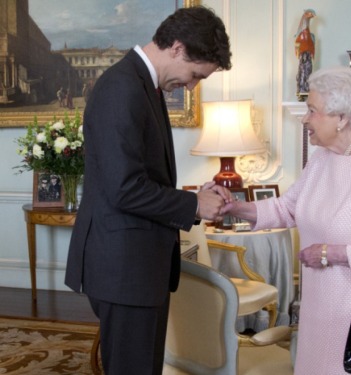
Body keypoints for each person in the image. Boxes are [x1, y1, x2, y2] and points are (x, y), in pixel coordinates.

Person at [64, 6, 232, 375]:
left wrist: (195, 196)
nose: (191, 86)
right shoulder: (121, 87)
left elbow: (141, 176)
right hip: (123, 269)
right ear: (176, 47)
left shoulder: (143, 84)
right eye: (194, 75)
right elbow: (124, 189)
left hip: (137, 265)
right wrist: (193, 205)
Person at [222, 66, 351, 374]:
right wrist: (235, 208)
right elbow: (289, 208)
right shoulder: (322, 158)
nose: (304, 119)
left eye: (312, 110)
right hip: (318, 306)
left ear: (342, 118)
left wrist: (330, 253)